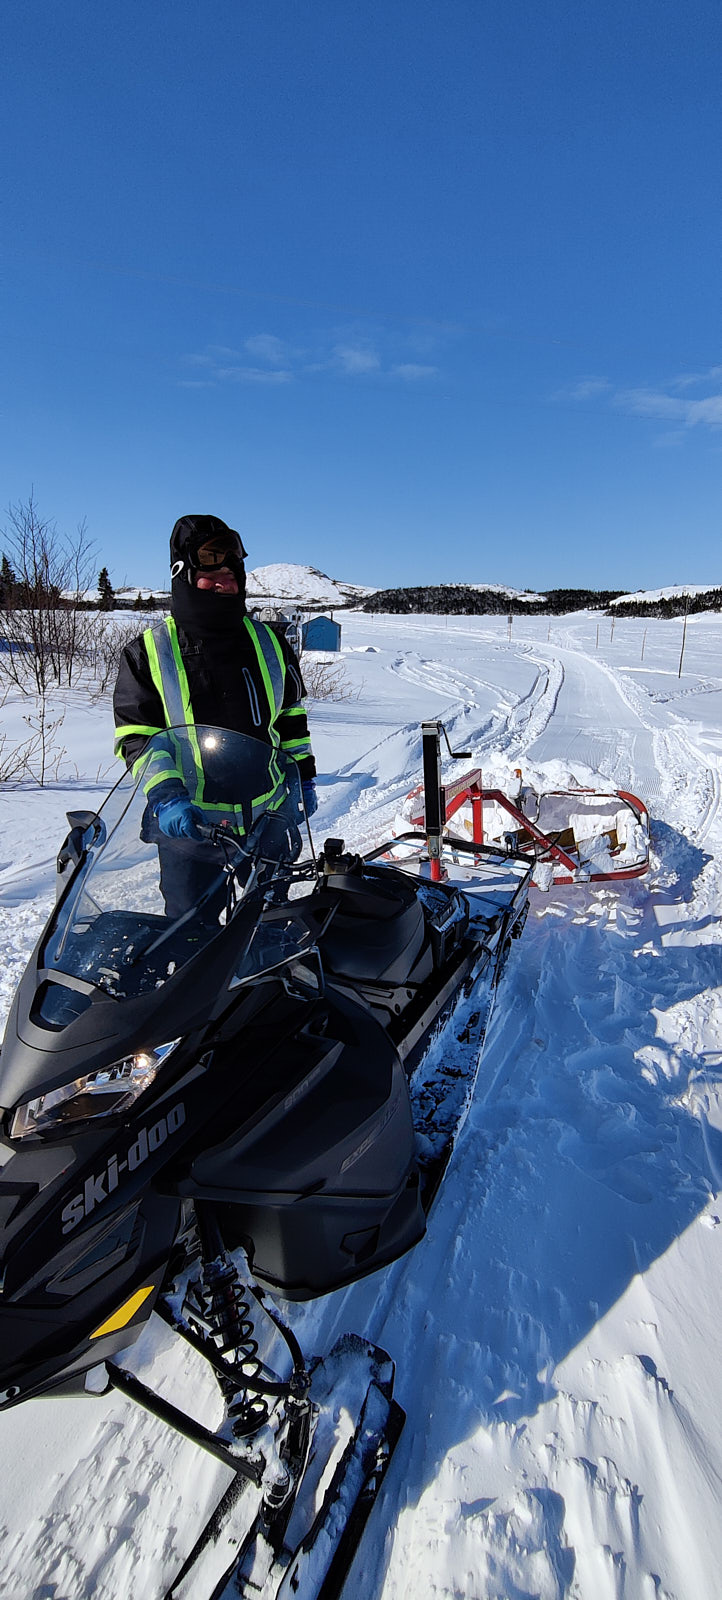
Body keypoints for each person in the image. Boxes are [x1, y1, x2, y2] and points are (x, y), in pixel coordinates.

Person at [113, 514, 317, 917]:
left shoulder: (271, 642)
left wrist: (304, 778)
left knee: (268, 923)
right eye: (211, 572)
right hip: (192, 829)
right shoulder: (148, 652)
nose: (224, 580)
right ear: (183, 574)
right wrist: (168, 798)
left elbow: (291, 717)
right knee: (192, 935)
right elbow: (137, 737)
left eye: (232, 571)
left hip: (269, 820)